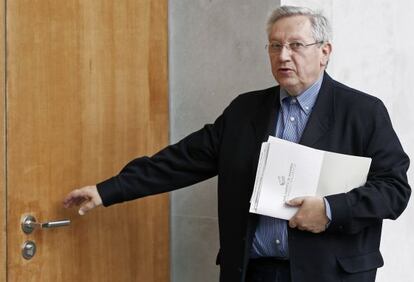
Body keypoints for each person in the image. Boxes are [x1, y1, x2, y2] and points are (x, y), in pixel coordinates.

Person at [63, 6, 411, 282]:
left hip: (329, 273)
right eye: (275, 46)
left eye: (295, 45)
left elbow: (394, 189)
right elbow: (180, 161)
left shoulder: (363, 112)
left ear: (325, 52)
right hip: (252, 271)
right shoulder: (245, 109)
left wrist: (331, 210)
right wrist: (106, 190)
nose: (283, 56)